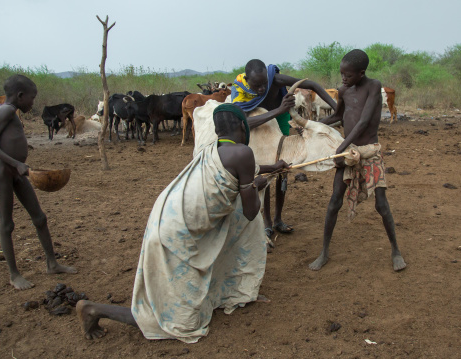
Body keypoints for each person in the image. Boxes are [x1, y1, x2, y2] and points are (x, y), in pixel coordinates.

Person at [76, 104, 290, 343]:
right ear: (243, 126)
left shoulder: (213, 149)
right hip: (176, 234)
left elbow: (241, 171)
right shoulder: (243, 153)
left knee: (178, 297)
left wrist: (273, 168)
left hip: (166, 217)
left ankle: (228, 291)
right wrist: (253, 186)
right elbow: (250, 212)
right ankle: (94, 310)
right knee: (173, 319)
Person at [309, 49, 406, 271]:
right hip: (349, 154)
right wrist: (312, 126)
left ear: (361, 73)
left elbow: (362, 123)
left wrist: (340, 148)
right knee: (334, 201)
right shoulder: (343, 91)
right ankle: (324, 252)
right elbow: (338, 117)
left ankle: (395, 251)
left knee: (381, 204)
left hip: (369, 152)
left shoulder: (373, 87)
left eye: (348, 75)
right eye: (342, 74)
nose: (343, 79)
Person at [0, 74, 77, 290]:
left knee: (40, 218)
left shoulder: (10, 112)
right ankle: (14, 275)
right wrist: (16, 163)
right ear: (20, 95)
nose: (33, 103)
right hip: (2, 174)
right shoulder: (5, 111)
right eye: (32, 99)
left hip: (16, 173)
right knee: (7, 224)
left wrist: (19, 163)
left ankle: (52, 263)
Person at [231, 59, 337, 240]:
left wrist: (337, 107)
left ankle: (278, 219)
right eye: (257, 85)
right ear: (247, 79)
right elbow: (242, 123)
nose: (262, 89)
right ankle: (266, 223)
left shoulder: (274, 78)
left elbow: (310, 84)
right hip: (259, 126)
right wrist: (278, 111)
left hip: (279, 122)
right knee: (266, 172)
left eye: (265, 83)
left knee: (282, 169)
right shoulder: (239, 90)